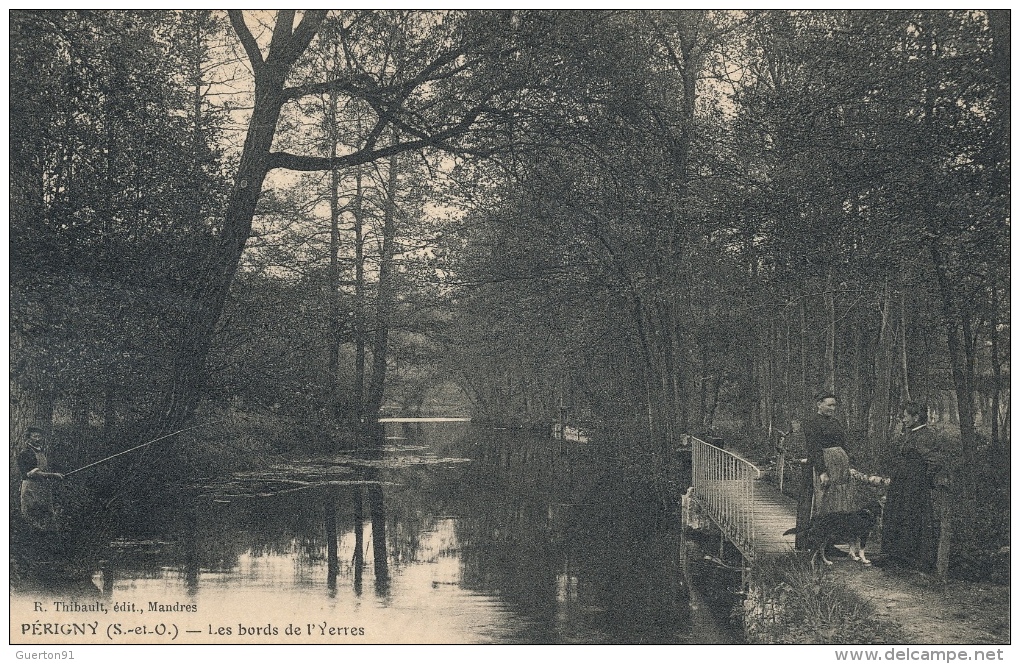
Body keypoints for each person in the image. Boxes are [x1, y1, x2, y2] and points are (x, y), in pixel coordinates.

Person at [881, 402, 948, 572]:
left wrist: (922, 478)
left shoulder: (924, 435)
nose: (903, 419)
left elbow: (935, 460)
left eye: (905, 416)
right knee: (898, 514)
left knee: (911, 516)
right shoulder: (913, 433)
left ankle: (910, 558)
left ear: (916, 417)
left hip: (913, 484)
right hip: (903, 483)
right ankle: (896, 555)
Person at [802, 391, 854, 519]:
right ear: (819, 404)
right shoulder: (812, 423)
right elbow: (814, 449)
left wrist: (849, 464)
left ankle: (840, 529)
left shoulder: (836, 422)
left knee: (841, 497)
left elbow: (843, 444)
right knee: (826, 498)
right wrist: (822, 472)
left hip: (841, 466)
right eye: (829, 405)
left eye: (834, 405)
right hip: (826, 464)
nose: (832, 408)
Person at [16, 425, 64, 530]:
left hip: (43, 488)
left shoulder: (41, 452)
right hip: (30, 488)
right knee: (31, 517)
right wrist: (53, 475)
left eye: (40, 437)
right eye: (35, 437)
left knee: (46, 517)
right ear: (28, 438)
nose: (38, 439)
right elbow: (33, 473)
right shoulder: (26, 453)